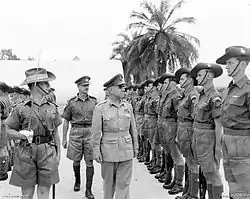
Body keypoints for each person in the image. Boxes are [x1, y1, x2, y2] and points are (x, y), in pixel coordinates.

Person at [5, 67, 62, 199]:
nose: (49, 86)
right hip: (26, 152)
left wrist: (58, 154)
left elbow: (56, 133)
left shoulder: (52, 107)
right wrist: (21, 135)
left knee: (44, 193)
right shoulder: (21, 108)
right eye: (45, 83)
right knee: (27, 194)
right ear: (36, 85)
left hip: (47, 151)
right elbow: (6, 129)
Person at [91, 74, 138, 199]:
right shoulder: (100, 108)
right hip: (108, 152)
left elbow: (133, 129)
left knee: (123, 184)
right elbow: (95, 132)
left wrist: (136, 146)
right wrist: (96, 150)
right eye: (120, 86)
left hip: (126, 150)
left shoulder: (128, 106)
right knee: (109, 185)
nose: (124, 89)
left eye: (124, 86)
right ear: (111, 90)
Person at [216, 46, 250, 198]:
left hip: (242, 143)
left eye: (230, 63)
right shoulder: (229, 89)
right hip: (227, 139)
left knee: (244, 186)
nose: (226, 67)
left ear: (242, 64)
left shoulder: (247, 90)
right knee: (231, 182)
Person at [190, 63, 224, 199]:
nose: (197, 78)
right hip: (199, 137)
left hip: (208, 139)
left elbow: (218, 124)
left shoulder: (214, 97)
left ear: (209, 75)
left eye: (199, 75)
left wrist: (218, 148)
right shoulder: (202, 95)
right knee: (206, 173)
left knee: (213, 174)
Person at [61, 76, 96, 199]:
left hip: (90, 132)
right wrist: (64, 138)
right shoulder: (71, 103)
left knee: (89, 161)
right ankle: (77, 181)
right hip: (76, 132)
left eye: (88, 85)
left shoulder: (94, 101)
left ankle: (88, 190)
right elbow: (65, 121)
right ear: (78, 87)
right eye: (84, 86)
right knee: (76, 160)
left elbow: (98, 120)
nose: (86, 87)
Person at [175, 68, 200, 199]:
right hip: (182, 129)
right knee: (188, 162)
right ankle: (188, 192)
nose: (180, 81)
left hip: (189, 130)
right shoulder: (185, 95)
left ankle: (193, 195)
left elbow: (196, 117)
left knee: (192, 163)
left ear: (190, 80)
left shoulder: (193, 95)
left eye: (182, 79)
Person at [161, 73, 184, 195]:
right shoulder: (168, 96)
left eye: (166, 83)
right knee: (173, 156)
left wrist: (177, 133)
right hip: (166, 126)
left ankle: (179, 183)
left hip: (173, 127)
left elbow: (179, 116)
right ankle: (175, 180)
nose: (164, 85)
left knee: (177, 156)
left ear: (173, 83)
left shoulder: (176, 97)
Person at [0, 82, 13, 181]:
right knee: (4, 147)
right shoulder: (7, 100)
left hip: (1, 125)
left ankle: (1, 172)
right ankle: (5, 169)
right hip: (6, 124)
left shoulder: (0, 101)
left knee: (1, 149)